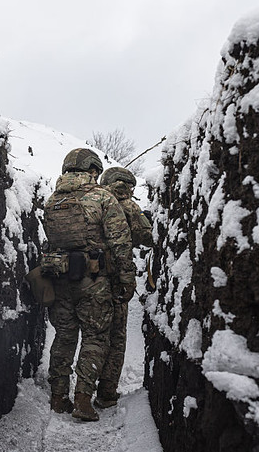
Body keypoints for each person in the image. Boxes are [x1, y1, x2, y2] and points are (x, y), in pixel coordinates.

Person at [42, 148, 136, 421]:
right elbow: (121, 242)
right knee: (95, 338)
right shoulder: (102, 197)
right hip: (94, 282)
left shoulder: (53, 199)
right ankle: (83, 399)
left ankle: (58, 397)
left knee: (64, 336)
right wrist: (126, 279)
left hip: (60, 279)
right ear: (93, 170)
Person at [94, 167, 153, 409]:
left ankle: (80, 389)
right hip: (117, 278)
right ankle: (106, 393)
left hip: (89, 278)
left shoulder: (93, 199)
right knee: (116, 337)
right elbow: (146, 237)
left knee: (93, 336)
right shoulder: (127, 205)